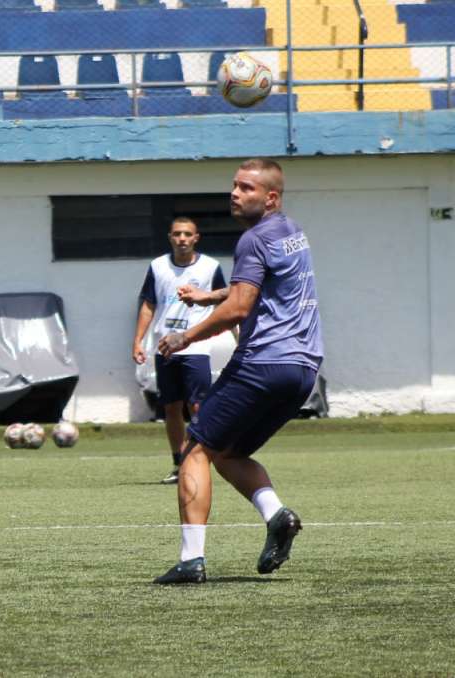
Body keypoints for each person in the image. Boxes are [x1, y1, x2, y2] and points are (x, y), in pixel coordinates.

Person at [152, 158, 323, 584]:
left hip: (263, 363)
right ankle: (276, 515)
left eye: (246, 187)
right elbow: (255, 288)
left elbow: (243, 306)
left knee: (196, 448)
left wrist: (184, 338)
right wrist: (211, 297)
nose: (234, 193)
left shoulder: (253, 239)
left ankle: (192, 560)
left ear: (270, 197)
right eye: (234, 185)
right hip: (302, 369)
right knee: (229, 453)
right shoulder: (291, 232)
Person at [133, 217, 228, 485]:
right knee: (171, 407)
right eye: (177, 234)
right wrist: (138, 340)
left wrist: (240, 336)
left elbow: (226, 301)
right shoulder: (158, 266)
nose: (182, 238)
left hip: (196, 345)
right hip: (165, 347)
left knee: (197, 405)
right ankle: (178, 463)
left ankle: (202, 459)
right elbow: (148, 304)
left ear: (196, 237)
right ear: (170, 237)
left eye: (187, 234)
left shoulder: (210, 267)